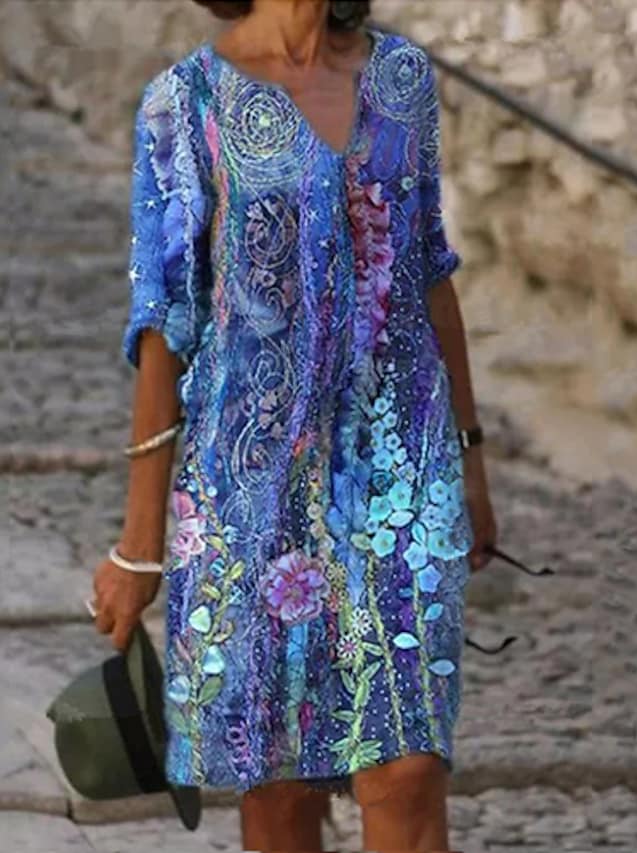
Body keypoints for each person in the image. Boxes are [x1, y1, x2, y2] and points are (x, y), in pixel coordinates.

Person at [90, 0, 497, 849]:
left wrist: (470, 458)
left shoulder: (402, 79)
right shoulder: (185, 103)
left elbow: (429, 267)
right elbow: (164, 322)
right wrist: (138, 544)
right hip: (248, 486)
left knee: (408, 766)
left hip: (402, 471)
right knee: (279, 788)